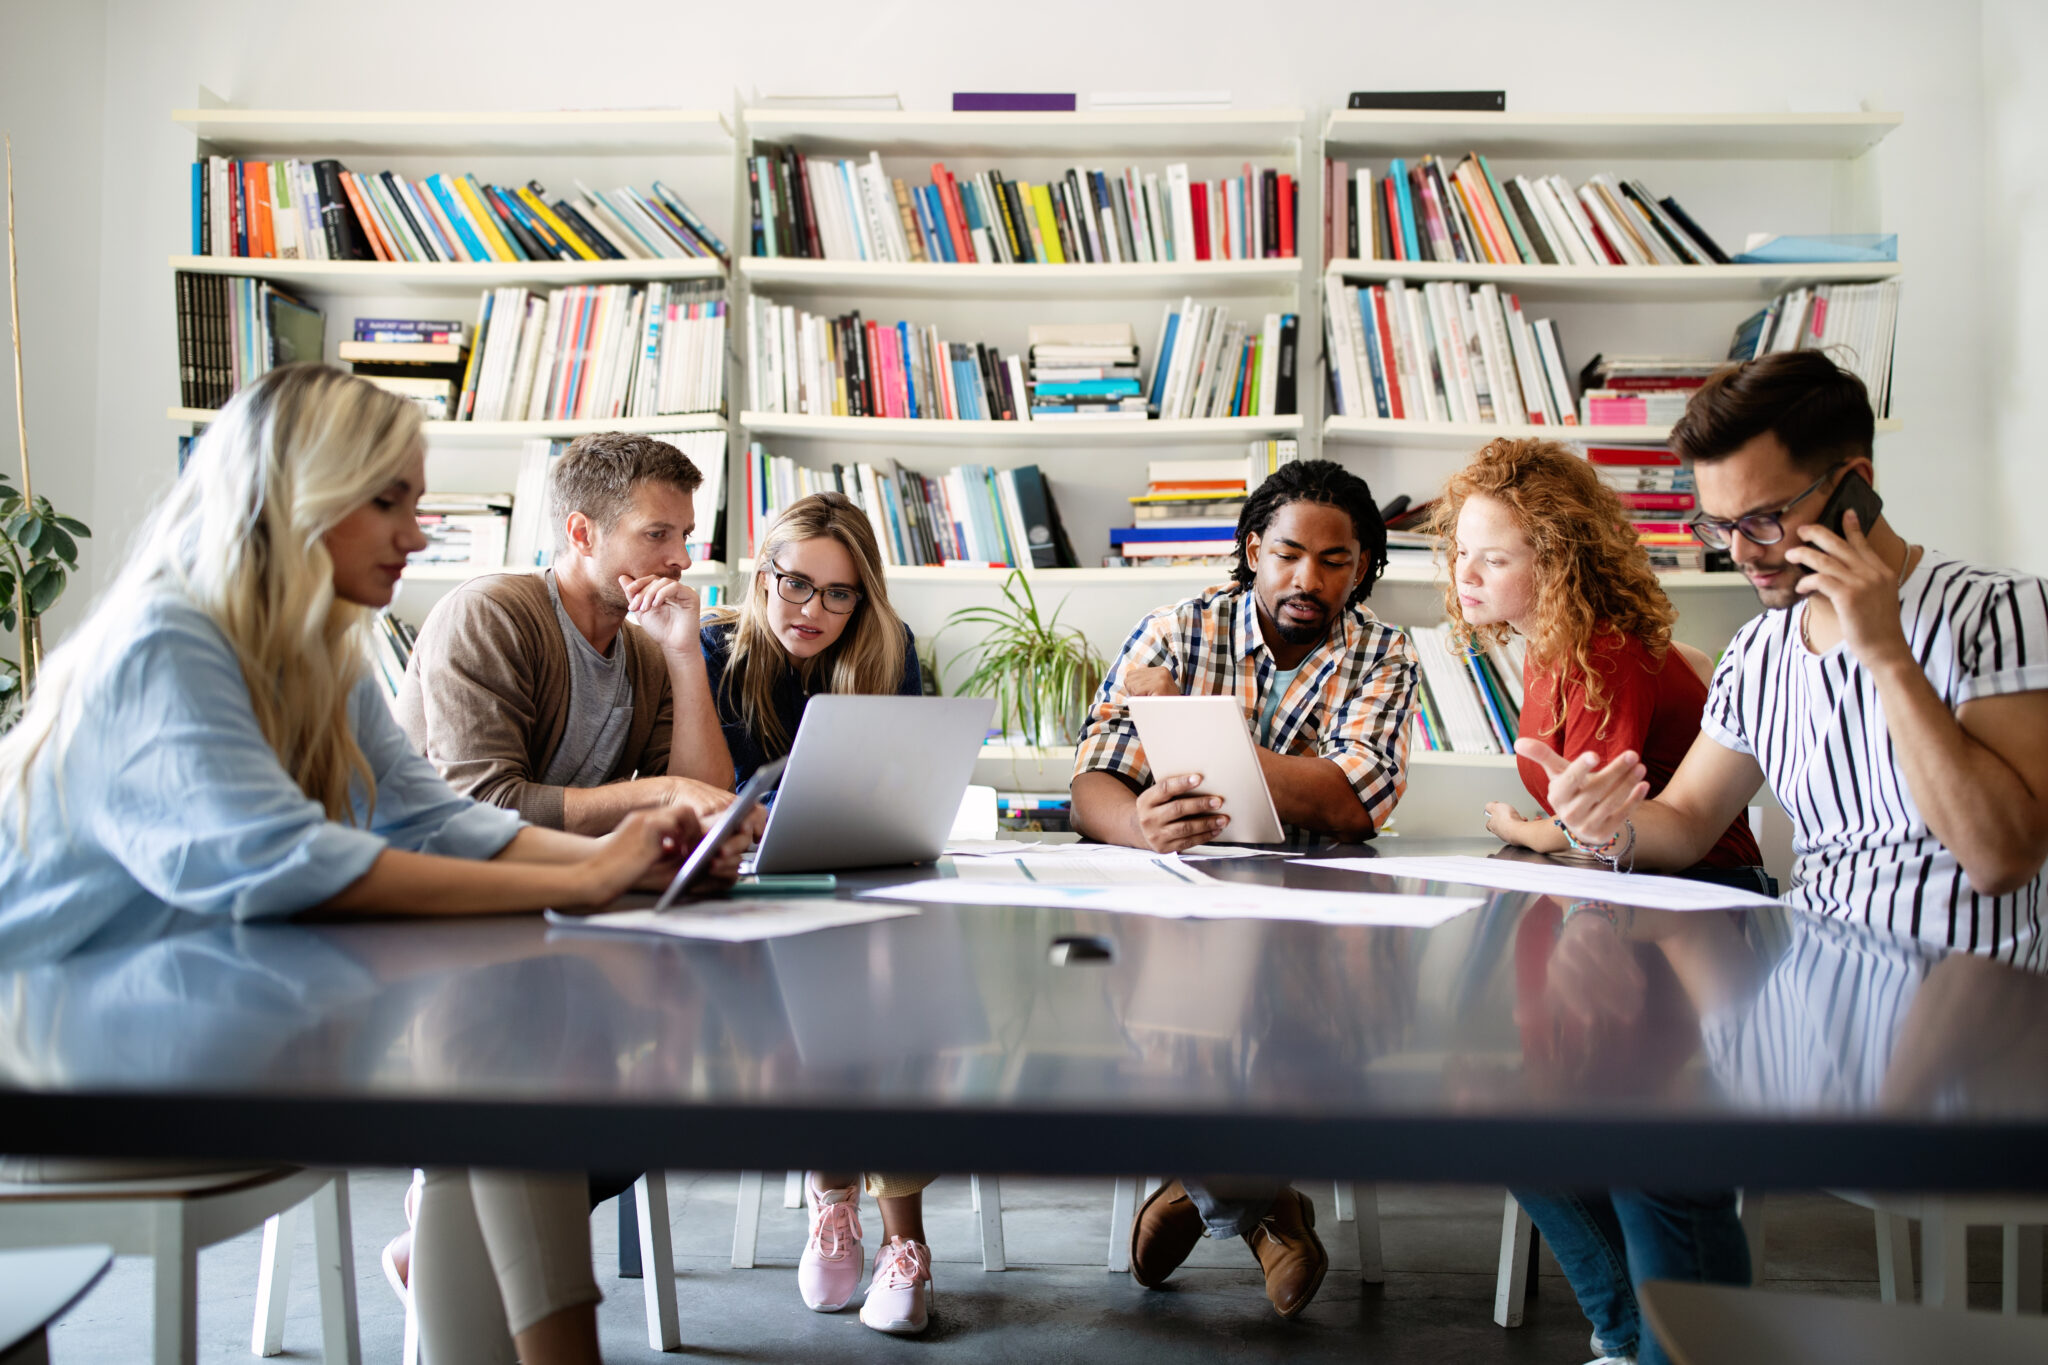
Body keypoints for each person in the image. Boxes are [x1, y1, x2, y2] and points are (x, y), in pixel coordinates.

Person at [0, 365, 742, 1365]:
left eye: (416, 501)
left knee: (500, 1032)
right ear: (293, 496)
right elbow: (285, 866)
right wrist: (582, 877)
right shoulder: (163, 643)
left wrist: (629, 867)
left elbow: (428, 818)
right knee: (498, 1034)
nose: (416, 531)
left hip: (187, 1008)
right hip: (59, 1061)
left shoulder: (316, 657)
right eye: (385, 500)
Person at [1525, 349, 2048, 968]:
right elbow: (1690, 820)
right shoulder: (1758, 652)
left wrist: (1885, 653)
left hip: (1969, 1014)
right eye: (1720, 525)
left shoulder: (1997, 610)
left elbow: (2001, 861)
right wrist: (1609, 826)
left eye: (1764, 519)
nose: (1741, 552)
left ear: (1855, 485)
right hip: (1806, 1006)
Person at [1069, 457, 1419, 1319]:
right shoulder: (1176, 627)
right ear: (1253, 547)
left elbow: (1350, 802)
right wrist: (1137, 821)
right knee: (1171, 1013)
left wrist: (1198, 724)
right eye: (1290, 553)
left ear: (1364, 567)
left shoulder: (1383, 649)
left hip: (1317, 905)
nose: (1309, 578)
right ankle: (1270, 1209)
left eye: (1337, 561)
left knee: (1318, 1016)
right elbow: (1093, 782)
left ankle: (1202, 1193)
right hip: (1180, 898)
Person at [695, 491, 935, 1335]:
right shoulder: (712, 648)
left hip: (854, 885)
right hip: (738, 908)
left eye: (840, 593)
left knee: (886, 975)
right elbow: (711, 799)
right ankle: (865, 1213)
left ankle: (867, 1218)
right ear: (764, 574)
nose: (815, 611)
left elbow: (900, 781)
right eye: (796, 584)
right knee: (849, 986)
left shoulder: (885, 647)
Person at [1434, 437, 1764, 881]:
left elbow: (1593, 820)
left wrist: (1521, 830)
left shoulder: (1601, 653)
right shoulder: (1548, 640)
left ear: (1558, 565)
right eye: (1461, 550)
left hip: (1703, 885)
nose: (1465, 574)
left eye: (1494, 560)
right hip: (1629, 877)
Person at [397, 431, 737, 834]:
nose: (681, 558)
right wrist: (662, 794)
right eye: (656, 533)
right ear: (582, 534)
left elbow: (707, 803)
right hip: (443, 881)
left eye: (685, 536)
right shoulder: (488, 615)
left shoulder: (648, 653)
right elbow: (482, 807)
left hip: (567, 879)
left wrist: (683, 656)